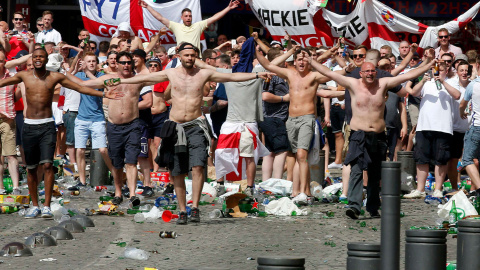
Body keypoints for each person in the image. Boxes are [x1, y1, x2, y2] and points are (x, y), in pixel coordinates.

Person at [105, 42, 271, 224]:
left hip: (196, 126)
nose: (190, 58)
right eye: (187, 55)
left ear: (196, 57)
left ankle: (195, 208)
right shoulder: (171, 73)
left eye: (193, 55)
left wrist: (256, 74)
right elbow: (145, 79)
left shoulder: (204, 74)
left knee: (198, 165)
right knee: (177, 170)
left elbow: (233, 77)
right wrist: (120, 80)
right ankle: (183, 209)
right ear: (179, 56)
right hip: (176, 126)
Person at [310, 53, 436, 219]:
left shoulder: (383, 84)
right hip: (358, 134)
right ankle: (354, 206)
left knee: (375, 173)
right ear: (361, 73)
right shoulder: (352, 84)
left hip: (378, 135)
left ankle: (373, 207)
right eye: (366, 71)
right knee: (356, 170)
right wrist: (311, 61)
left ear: (376, 72)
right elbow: (329, 73)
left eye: (372, 71)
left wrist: (429, 65)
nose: (370, 74)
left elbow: (408, 75)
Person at [0, 48, 121, 218]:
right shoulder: (24, 75)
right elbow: (4, 82)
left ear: (46, 59)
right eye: (35, 57)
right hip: (29, 126)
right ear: (32, 59)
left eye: (41, 57)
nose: (38, 59)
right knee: (31, 168)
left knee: (48, 165)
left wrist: (103, 93)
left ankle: (47, 206)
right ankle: (35, 205)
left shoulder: (54, 76)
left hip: (47, 126)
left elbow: (81, 88)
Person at [255, 45, 346, 204]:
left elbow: (333, 74)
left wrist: (346, 66)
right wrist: (254, 49)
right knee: (293, 156)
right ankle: (296, 190)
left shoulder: (313, 76)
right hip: (291, 119)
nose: (302, 62)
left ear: (309, 62)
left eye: (304, 59)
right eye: (299, 59)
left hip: (307, 118)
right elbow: (269, 65)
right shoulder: (290, 74)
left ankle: (305, 192)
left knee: (302, 155)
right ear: (294, 62)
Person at [403, 62, 461, 199]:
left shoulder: (452, 82)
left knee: (441, 159)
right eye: (436, 70)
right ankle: (420, 189)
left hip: (443, 127)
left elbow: (457, 95)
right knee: (421, 158)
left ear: (446, 71)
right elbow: (414, 92)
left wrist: (443, 82)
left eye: (441, 70)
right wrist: (422, 80)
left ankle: (438, 189)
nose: (437, 72)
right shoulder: (426, 83)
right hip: (424, 125)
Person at [63, 52, 114, 188]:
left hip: (97, 118)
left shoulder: (101, 76)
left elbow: (101, 85)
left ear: (97, 63)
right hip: (82, 118)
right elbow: (67, 76)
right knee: (79, 150)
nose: (91, 63)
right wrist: (74, 62)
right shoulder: (79, 76)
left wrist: (87, 72)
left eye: (93, 61)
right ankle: (82, 180)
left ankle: (115, 175)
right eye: (88, 61)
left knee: (102, 150)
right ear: (83, 63)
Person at [139, 0, 239, 56]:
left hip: (196, 60)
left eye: (190, 16)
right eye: (186, 16)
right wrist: (147, 7)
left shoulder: (198, 26)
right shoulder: (176, 26)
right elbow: (160, 18)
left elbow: (214, 18)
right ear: (181, 17)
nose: (188, 18)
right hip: (181, 60)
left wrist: (228, 8)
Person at [0, 51, 20, 195]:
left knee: (11, 155)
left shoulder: (12, 78)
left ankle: (16, 187)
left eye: (1, 60)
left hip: (7, 120)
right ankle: (0, 188)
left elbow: (17, 96)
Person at [460, 75, 480, 198]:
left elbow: (462, 104)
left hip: (477, 126)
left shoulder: (473, 84)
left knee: (467, 159)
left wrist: (461, 112)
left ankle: (479, 187)